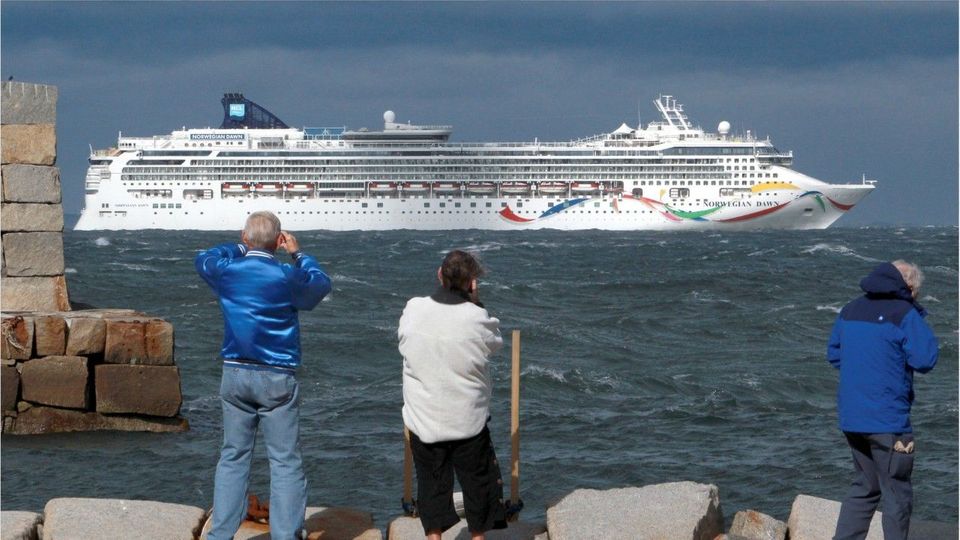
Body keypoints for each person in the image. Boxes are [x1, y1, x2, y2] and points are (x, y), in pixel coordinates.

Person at [196, 211, 331, 540]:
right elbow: (320, 285)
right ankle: (284, 536)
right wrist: (298, 253)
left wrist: (242, 247)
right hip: (276, 376)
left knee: (233, 456)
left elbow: (204, 258)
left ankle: (220, 535)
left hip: (235, 372)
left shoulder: (227, 271)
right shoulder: (286, 275)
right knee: (284, 461)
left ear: (245, 237)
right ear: (278, 241)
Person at [399, 250, 508, 540]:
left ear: (439, 275)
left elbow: (402, 340)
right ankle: (477, 537)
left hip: (423, 416)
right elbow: (495, 343)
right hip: (466, 419)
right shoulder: (477, 317)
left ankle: (433, 536)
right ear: (472, 283)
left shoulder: (413, 308)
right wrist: (474, 303)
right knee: (477, 482)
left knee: (431, 480)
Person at [828, 260, 939, 540]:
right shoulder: (904, 313)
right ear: (908, 288)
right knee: (896, 491)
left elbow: (835, 355)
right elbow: (926, 359)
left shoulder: (850, 309)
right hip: (888, 419)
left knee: (865, 486)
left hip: (852, 417)